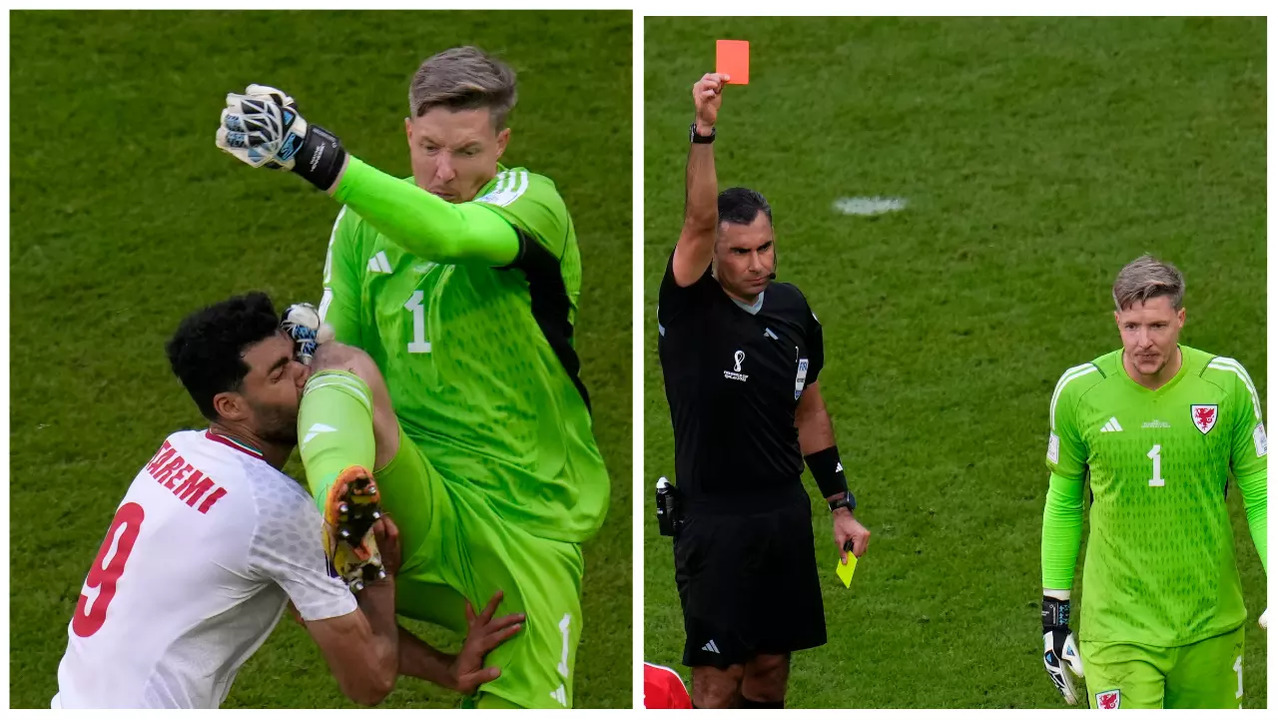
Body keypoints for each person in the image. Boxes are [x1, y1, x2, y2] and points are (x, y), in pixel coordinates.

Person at [214, 46, 609, 708]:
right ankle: (346, 510)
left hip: (526, 525)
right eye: (428, 148)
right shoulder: (364, 226)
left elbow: (449, 236)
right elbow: (343, 360)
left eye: (467, 153)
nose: (444, 172)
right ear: (407, 134)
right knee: (340, 367)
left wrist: (316, 155)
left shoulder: (532, 203)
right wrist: (312, 341)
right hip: (414, 497)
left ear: (501, 143)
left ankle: (347, 538)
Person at [53, 293, 521, 708]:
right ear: (229, 406)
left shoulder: (176, 452)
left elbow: (315, 606)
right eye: (279, 372)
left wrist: (445, 670)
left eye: (293, 356)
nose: (304, 372)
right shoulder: (272, 509)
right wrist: (380, 579)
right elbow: (370, 681)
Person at [654, 72, 870, 709]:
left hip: (781, 514)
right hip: (714, 522)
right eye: (742, 252)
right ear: (714, 254)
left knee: (772, 667)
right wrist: (704, 128)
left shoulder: (791, 309)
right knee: (719, 681)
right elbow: (696, 220)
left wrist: (839, 504)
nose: (759, 264)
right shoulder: (689, 308)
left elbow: (810, 408)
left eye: (766, 247)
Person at [1041, 255, 1267, 709]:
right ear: (1117, 321)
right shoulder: (1079, 393)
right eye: (1131, 327)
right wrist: (1055, 615)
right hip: (1118, 631)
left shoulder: (1226, 386)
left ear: (1181, 319)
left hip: (1210, 626)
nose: (1143, 342)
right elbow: (1064, 501)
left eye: (1158, 326)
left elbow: (1262, 493)